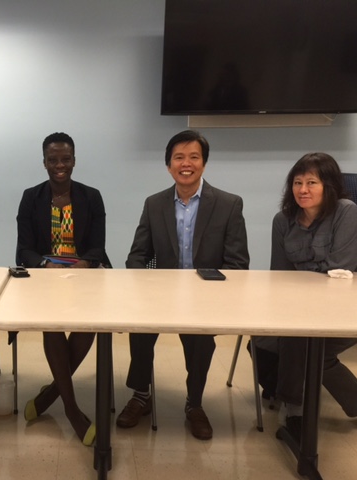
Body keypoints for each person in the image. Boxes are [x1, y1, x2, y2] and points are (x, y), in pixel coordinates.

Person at [116, 130, 250, 440]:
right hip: (160, 294)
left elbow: (238, 264)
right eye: (178, 157)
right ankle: (141, 395)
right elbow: (138, 256)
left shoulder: (229, 204)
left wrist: (209, 292)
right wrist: (145, 288)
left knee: (202, 342)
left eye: (193, 157)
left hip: (205, 296)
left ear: (204, 163)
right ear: (168, 166)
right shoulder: (154, 204)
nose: (186, 163)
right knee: (139, 331)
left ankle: (194, 404)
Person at [268, 152, 357, 440]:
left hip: (351, 307)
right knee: (296, 338)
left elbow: (339, 270)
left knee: (314, 351)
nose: (303, 190)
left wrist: (304, 278)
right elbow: (280, 275)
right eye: (298, 182)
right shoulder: (282, 221)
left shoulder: (347, 211)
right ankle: (296, 413)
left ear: (329, 186)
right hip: (302, 307)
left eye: (312, 182)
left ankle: (298, 411)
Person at [16, 132, 109, 446]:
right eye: (53, 159)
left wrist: (81, 266)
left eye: (65, 159)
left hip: (84, 275)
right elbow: (24, 251)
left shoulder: (91, 196)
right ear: (44, 162)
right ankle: (71, 410)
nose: (60, 165)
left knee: (89, 325)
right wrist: (48, 267)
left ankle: (50, 395)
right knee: (52, 327)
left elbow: (97, 247)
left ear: (74, 160)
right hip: (46, 277)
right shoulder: (31, 197)